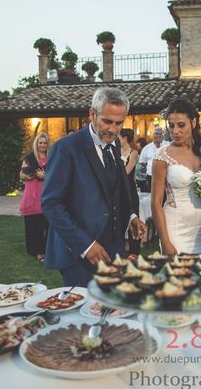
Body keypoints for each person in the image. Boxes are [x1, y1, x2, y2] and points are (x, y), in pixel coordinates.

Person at [41, 87, 146, 286]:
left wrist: (131, 216)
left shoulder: (114, 145)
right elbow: (51, 204)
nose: (114, 130)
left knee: (113, 308)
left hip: (114, 249)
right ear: (92, 113)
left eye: (119, 123)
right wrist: (86, 245)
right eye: (107, 121)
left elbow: (114, 191)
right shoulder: (66, 149)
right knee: (83, 314)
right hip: (79, 255)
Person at [151, 98, 201, 256]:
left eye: (181, 125)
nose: (175, 131)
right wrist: (166, 242)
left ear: (193, 123)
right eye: (171, 125)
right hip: (175, 229)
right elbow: (155, 203)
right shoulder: (162, 156)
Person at [19, 133, 50, 262]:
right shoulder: (30, 158)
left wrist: (45, 175)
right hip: (33, 194)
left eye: (45, 143)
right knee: (35, 225)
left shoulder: (52, 157)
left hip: (48, 193)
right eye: (40, 142)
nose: (42, 145)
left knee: (48, 225)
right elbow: (22, 175)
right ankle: (37, 251)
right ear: (36, 143)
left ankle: (47, 250)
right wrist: (36, 174)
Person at [120, 128, 141, 260]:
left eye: (119, 136)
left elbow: (127, 170)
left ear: (125, 138)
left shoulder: (134, 153)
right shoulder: (115, 152)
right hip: (119, 189)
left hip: (129, 189)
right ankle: (119, 249)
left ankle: (134, 250)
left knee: (133, 218)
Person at [138, 127, 169, 192]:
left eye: (160, 133)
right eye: (156, 133)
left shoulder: (169, 145)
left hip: (167, 176)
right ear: (153, 135)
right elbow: (142, 162)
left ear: (163, 135)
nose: (158, 135)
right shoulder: (147, 148)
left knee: (166, 196)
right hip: (151, 176)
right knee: (152, 195)